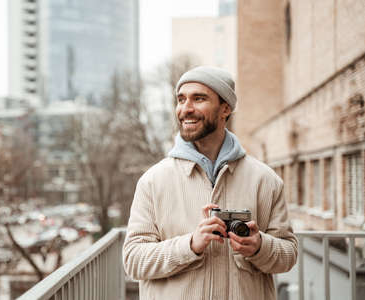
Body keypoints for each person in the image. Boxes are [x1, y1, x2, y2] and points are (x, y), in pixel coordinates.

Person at [122, 66, 298, 300]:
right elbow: (133, 261)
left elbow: (289, 254)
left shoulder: (266, 180)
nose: (186, 109)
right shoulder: (152, 181)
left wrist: (259, 246)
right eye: (181, 99)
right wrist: (190, 245)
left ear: (225, 108)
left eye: (199, 98)